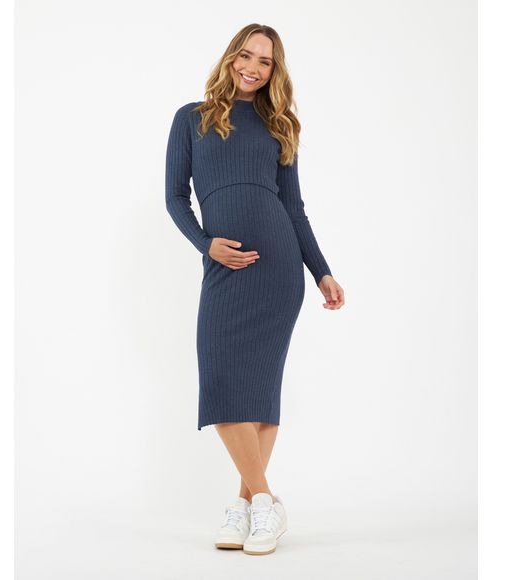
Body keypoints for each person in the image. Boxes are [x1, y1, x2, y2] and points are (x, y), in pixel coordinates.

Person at [165, 23, 345, 555]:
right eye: (246, 56)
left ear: (274, 71)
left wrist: (321, 271)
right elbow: (175, 196)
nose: (253, 67)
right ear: (231, 58)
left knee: (260, 394)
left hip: (278, 270)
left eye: (265, 61)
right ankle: (265, 500)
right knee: (223, 385)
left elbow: (294, 208)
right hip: (224, 270)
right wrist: (206, 245)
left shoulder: (279, 125)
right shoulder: (192, 119)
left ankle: (247, 510)